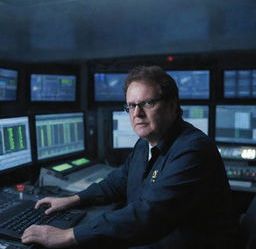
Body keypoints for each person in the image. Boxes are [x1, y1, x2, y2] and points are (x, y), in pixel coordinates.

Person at [22, 66, 238, 248]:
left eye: (148, 103)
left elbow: (150, 216)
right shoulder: (146, 143)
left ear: (172, 106)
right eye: (132, 106)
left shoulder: (193, 150)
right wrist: (73, 199)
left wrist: (69, 235)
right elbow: (120, 180)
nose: (137, 114)